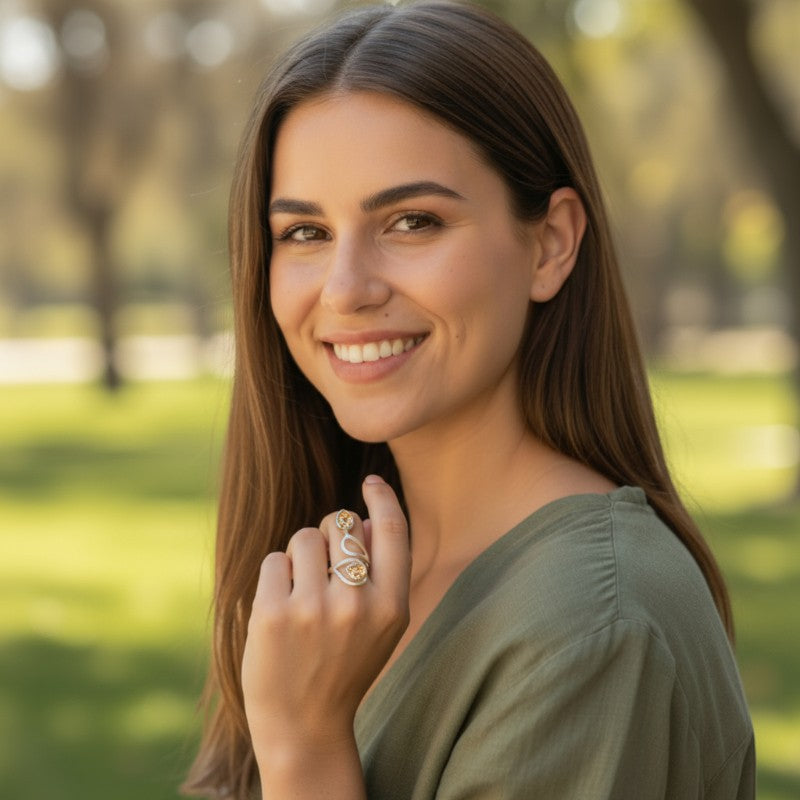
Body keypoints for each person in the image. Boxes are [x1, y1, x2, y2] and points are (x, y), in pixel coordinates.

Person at [183, 2, 755, 798]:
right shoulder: (341, 594)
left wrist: (306, 752)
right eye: (305, 233)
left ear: (550, 243)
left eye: (412, 221)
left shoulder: (589, 628)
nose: (346, 290)